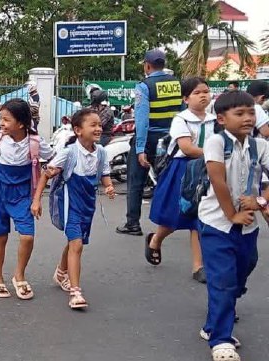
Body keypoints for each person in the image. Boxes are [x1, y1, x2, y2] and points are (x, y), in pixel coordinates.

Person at [196, 91, 269, 361]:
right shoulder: (216, 142)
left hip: (248, 227)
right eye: (240, 114)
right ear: (222, 119)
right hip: (216, 223)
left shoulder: (260, 146)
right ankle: (221, 339)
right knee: (223, 280)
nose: (248, 118)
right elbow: (218, 181)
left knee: (244, 268)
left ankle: (213, 322)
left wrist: (259, 200)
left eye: (251, 112)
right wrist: (232, 215)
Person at [32, 108, 115, 309]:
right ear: (78, 130)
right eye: (92, 125)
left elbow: (104, 174)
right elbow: (46, 174)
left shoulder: (101, 152)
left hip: (88, 203)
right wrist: (36, 200)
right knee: (76, 244)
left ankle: (61, 272)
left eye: (99, 125)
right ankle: (75, 292)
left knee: (75, 243)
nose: (98, 128)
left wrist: (109, 186)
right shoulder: (69, 153)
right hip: (70, 203)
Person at [0, 99, 54, 300]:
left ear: (21, 123)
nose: (1, 123)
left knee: (27, 236)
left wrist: (52, 171)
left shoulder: (36, 142)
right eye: (0, 119)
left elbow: (53, 158)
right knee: (0, 235)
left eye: (6, 120)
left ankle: (19, 275)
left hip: (23, 193)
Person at [145, 77, 215, 283]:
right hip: (183, 171)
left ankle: (198, 266)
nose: (203, 95)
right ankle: (155, 240)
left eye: (206, 91)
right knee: (174, 217)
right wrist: (214, 153)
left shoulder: (214, 119)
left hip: (207, 169)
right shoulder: (181, 120)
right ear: (186, 99)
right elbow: (187, 148)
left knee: (198, 219)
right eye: (197, 93)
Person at [117, 49, 182, 236]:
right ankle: (170, 222)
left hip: (150, 139)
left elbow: (142, 121)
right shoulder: (177, 84)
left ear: (147, 65)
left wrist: (140, 148)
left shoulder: (144, 86)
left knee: (136, 181)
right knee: (168, 181)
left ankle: (133, 223)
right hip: (171, 139)